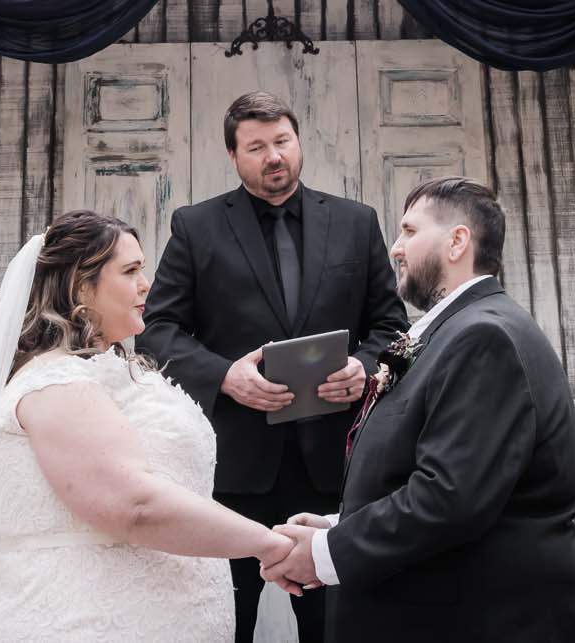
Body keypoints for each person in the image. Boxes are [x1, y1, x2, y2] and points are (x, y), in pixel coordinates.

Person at [260, 176, 575, 643]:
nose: (395, 248)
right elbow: (427, 473)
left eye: (409, 231)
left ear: (457, 242)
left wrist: (325, 553)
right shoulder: (453, 331)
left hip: (494, 621)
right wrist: (337, 525)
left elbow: (449, 498)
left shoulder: (484, 338)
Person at [0, 209, 286, 643]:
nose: (145, 284)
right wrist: (268, 543)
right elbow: (135, 504)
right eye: (130, 271)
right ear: (80, 286)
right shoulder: (53, 383)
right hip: (85, 624)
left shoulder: (115, 373)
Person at [139, 91, 410, 643]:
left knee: (333, 628)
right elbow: (156, 329)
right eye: (256, 147)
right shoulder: (196, 226)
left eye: (282, 141)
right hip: (233, 474)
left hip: (336, 470)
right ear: (233, 156)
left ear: (298, 142)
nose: (274, 156)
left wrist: (364, 367)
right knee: (226, 623)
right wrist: (224, 377)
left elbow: (392, 329)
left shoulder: (357, 223)